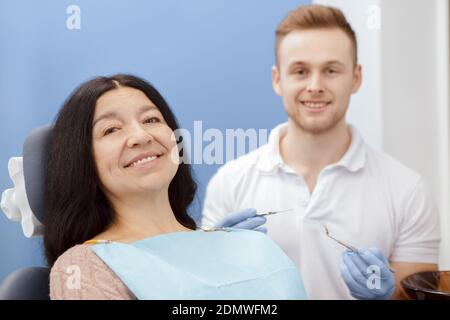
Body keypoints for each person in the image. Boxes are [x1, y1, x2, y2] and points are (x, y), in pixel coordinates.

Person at [202, 4, 440, 300]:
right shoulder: (229, 184)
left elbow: (418, 295)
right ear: (278, 79)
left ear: (355, 78)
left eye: (330, 70)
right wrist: (216, 262)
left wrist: (386, 297)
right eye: (300, 71)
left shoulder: (407, 190)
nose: (315, 86)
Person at [45, 74, 307, 300]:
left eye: (151, 120)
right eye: (111, 129)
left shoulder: (247, 246)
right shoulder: (82, 267)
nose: (141, 136)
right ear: (81, 160)